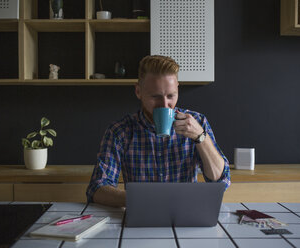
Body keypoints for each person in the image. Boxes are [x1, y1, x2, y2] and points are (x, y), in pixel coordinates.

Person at [86, 55, 231, 207]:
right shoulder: (120, 131)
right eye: (155, 97)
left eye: (171, 95)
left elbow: (220, 181)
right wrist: (141, 200)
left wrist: (200, 137)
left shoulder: (197, 122)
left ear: (177, 90)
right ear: (138, 91)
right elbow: (97, 188)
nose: (164, 104)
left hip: (185, 215)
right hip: (141, 216)